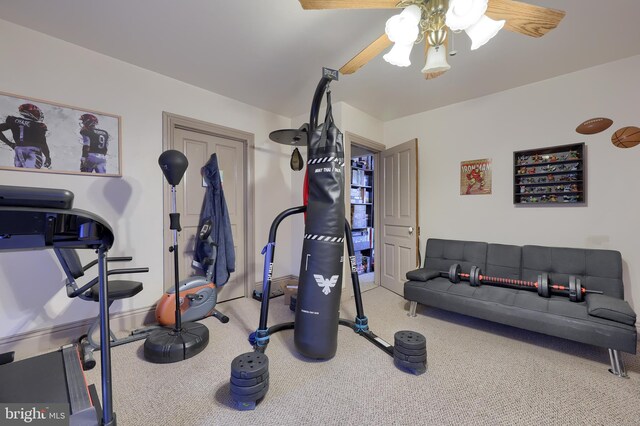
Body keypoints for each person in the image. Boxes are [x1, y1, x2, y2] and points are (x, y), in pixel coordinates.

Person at [0, 103, 51, 169]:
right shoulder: (38, 126)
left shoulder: (14, 120)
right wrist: (47, 157)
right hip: (33, 152)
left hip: (19, 151)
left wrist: (10, 144)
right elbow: (43, 143)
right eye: (36, 112)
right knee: (31, 175)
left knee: (20, 174)